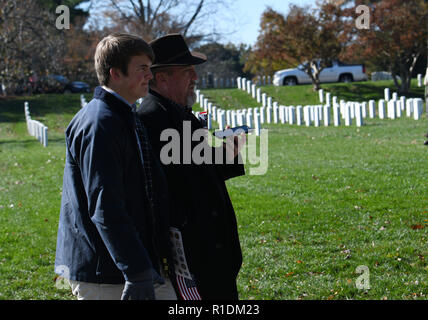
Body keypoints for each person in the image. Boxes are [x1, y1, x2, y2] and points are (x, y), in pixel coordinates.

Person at [54, 33, 176, 300]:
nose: (150, 76)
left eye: (150, 68)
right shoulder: (100, 123)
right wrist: (136, 271)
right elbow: (105, 205)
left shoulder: (123, 115)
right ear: (115, 74)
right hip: (107, 274)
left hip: (133, 265)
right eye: (142, 69)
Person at [138, 33, 246, 300]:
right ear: (161, 78)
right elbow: (167, 190)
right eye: (187, 72)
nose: (195, 79)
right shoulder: (151, 120)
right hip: (192, 256)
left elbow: (201, 169)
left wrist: (229, 152)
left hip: (214, 254)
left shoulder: (181, 115)